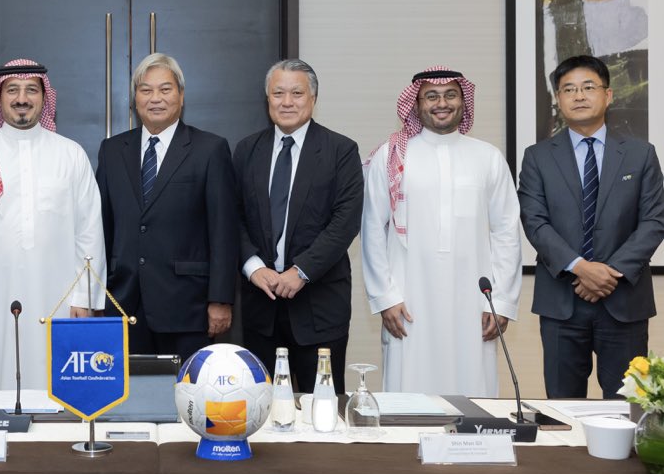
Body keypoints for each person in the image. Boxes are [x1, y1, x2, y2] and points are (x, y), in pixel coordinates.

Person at [0, 59, 105, 391]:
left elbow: (89, 231)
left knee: (55, 380)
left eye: (31, 90)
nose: (22, 98)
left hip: (58, 298)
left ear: (45, 98)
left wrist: (84, 296)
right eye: (12, 90)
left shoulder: (71, 155)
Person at [361, 66, 521, 397]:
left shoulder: (488, 157)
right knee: (409, 391)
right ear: (417, 104)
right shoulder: (391, 156)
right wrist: (385, 297)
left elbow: (507, 232)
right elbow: (372, 230)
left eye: (450, 95)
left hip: (473, 302)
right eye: (431, 96)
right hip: (408, 298)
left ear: (464, 101)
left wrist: (502, 302)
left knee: (474, 390)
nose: (442, 103)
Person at [519, 54, 664, 398]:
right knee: (563, 406)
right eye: (569, 89)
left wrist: (607, 273)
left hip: (623, 299)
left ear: (608, 95)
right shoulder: (538, 156)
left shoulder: (640, 154)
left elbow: (654, 220)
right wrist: (581, 268)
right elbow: (535, 221)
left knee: (627, 406)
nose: (579, 96)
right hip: (562, 300)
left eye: (588, 87)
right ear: (558, 99)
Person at [96, 52, 238, 361]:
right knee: (129, 390)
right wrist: (95, 295)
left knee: (186, 389)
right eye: (145, 90)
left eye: (165, 89)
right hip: (124, 303)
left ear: (181, 96)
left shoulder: (210, 149)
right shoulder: (112, 151)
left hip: (188, 306)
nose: (155, 98)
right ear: (135, 98)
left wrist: (220, 299)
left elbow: (224, 231)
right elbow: (101, 228)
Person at [233, 59, 363, 393]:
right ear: (268, 99)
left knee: (321, 407)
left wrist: (301, 271)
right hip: (261, 307)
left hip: (319, 307)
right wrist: (253, 267)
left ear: (313, 98)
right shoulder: (247, 150)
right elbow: (233, 217)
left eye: (297, 93)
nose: (286, 102)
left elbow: (344, 222)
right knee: (261, 403)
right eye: (278, 93)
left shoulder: (341, 151)